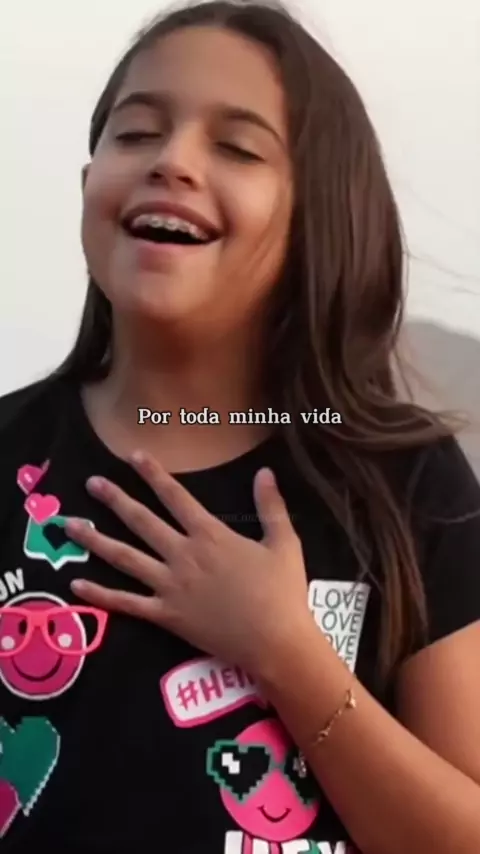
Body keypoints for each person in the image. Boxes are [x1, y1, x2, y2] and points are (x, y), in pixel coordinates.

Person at [0, 2, 479, 852]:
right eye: (136, 133)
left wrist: (285, 651)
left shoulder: (406, 484)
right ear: (87, 186)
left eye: (238, 148)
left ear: (317, 218)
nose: (172, 162)